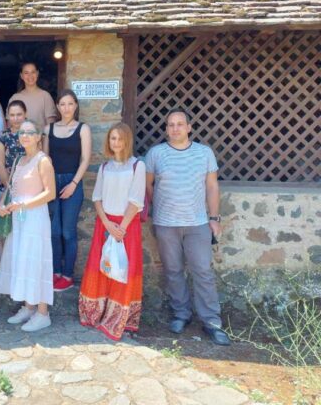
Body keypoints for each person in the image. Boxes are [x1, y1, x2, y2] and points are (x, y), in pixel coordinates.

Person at [145, 108, 230, 346]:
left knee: (202, 271)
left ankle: (211, 322)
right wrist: (159, 208)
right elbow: (148, 185)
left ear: (189, 127)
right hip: (166, 224)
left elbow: (212, 187)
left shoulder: (204, 153)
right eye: (171, 125)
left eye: (180, 124)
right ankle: (181, 314)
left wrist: (215, 218)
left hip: (197, 223)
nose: (175, 128)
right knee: (173, 270)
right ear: (166, 129)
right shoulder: (156, 154)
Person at [78, 123, 145, 341]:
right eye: (112, 138)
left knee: (123, 269)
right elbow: (97, 197)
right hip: (105, 224)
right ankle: (97, 312)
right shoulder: (105, 167)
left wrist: (121, 228)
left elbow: (136, 200)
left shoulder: (137, 166)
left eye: (120, 138)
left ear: (127, 141)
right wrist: (107, 224)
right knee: (103, 267)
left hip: (127, 226)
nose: (116, 142)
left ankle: (118, 317)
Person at [0, 120, 56, 332]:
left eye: (30, 132)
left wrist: (23, 205)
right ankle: (29, 307)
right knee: (23, 259)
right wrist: (2, 205)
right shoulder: (19, 160)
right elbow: (11, 187)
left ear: (39, 137)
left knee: (36, 260)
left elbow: (50, 193)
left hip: (35, 217)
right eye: (22, 132)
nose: (25, 136)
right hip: (18, 217)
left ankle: (43, 313)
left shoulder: (43, 160)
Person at [43, 90, 91, 292]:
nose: (66, 108)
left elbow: (85, 159)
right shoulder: (49, 129)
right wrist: (48, 185)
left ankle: (68, 275)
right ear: (57, 106)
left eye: (70, 104)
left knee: (68, 232)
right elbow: (45, 159)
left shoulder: (82, 129)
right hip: (52, 182)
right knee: (54, 232)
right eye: (62, 104)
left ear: (76, 105)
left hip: (73, 181)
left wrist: (73, 184)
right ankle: (55, 272)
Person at [0, 100, 27, 254]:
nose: (15, 118)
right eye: (12, 115)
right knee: (5, 230)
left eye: (19, 114)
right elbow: (0, 165)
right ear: (7, 116)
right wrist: (10, 188)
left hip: (28, 190)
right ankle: (4, 265)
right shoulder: (2, 137)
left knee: (24, 231)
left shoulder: (34, 134)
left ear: (25, 114)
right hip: (5, 188)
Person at [8, 62, 57, 132]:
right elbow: (10, 125)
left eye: (33, 72)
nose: (30, 76)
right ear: (21, 76)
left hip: (40, 138)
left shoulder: (45, 96)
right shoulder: (15, 98)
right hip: (18, 138)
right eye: (26, 73)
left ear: (37, 74)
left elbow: (51, 126)